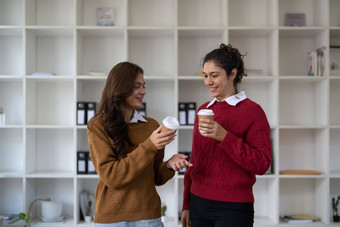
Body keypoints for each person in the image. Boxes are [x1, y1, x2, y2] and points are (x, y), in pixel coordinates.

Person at [87, 61, 191, 227]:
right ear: (120, 87)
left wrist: (170, 165)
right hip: (112, 219)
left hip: (149, 216)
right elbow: (111, 176)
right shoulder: (97, 125)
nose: (143, 91)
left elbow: (155, 176)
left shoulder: (151, 126)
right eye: (136, 86)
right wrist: (149, 145)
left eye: (143, 86)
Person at [181, 44, 272, 227]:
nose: (208, 81)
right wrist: (186, 203)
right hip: (198, 203)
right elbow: (195, 160)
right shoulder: (203, 110)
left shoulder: (253, 111)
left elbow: (262, 163)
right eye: (205, 76)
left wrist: (225, 137)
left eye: (214, 75)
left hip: (234, 208)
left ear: (232, 74)